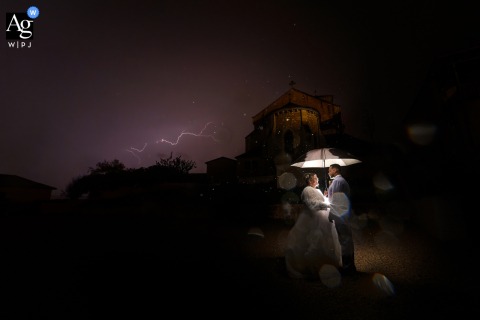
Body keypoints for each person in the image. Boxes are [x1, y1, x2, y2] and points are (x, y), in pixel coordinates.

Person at [285, 173, 342, 279]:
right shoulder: (307, 190)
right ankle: (312, 266)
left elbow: (320, 201)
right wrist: (328, 204)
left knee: (324, 241)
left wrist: (325, 197)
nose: (318, 180)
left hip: (322, 219)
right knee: (313, 241)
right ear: (310, 181)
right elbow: (312, 204)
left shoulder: (317, 190)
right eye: (315, 178)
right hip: (312, 220)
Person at [324, 163, 357, 274]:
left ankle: (348, 268)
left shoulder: (337, 181)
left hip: (340, 216)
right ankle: (349, 266)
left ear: (335, 169)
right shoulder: (339, 181)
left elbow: (336, 200)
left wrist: (330, 215)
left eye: (329, 169)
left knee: (344, 241)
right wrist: (328, 193)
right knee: (346, 240)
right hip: (343, 214)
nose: (328, 172)